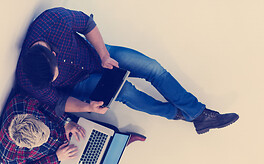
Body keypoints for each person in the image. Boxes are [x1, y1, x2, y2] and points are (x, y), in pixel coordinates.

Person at [15, 7, 239, 134]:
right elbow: (59, 101)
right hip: (80, 83)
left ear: (53, 54)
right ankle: (180, 114)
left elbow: (87, 24)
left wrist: (104, 55)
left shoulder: (52, 20)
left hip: (97, 53)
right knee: (127, 93)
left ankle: (198, 114)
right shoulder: (30, 80)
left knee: (153, 68)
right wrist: (86, 106)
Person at [0, 92, 145, 164]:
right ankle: (114, 149)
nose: (48, 138)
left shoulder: (23, 103)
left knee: (111, 131)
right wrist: (56, 158)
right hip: (51, 157)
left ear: (32, 117)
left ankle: (117, 144)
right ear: (26, 147)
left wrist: (66, 122)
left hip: (61, 129)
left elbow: (46, 105)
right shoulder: (11, 155)